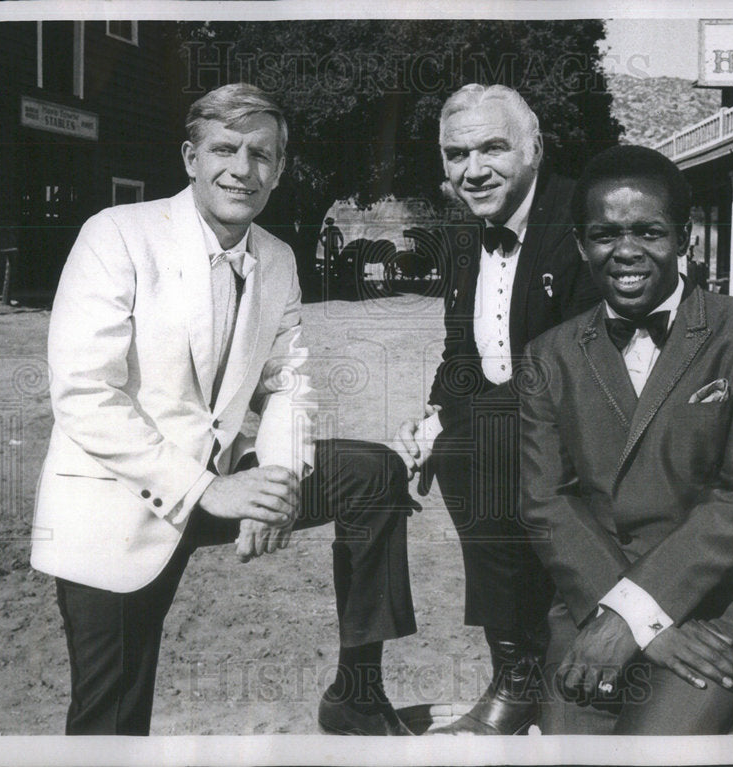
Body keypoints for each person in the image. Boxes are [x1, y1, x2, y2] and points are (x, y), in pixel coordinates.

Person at [31, 83, 417, 737]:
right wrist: (216, 488)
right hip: (118, 503)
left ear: (279, 168)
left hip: (230, 479)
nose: (243, 168)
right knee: (110, 725)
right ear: (190, 157)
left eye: (262, 154)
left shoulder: (276, 257)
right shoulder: (117, 236)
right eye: (225, 149)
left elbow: (288, 382)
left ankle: (357, 694)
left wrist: (279, 484)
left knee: (374, 473)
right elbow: (85, 396)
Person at [519, 145, 733, 734]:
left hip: (716, 604)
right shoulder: (548, 355)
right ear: (579, 245)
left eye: (648, 231)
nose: (625, 252)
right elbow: (546, 502)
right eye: (604, 235)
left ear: (685, 238)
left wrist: (637, 617)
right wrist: (623, 615)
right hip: (590, 599)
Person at [393, 84, 599, 735]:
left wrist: (459, 425)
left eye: (492, 147)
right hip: (510, 433)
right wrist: (432, 414)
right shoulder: (463, 234)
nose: (473, 168)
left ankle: (520, 675)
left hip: (601, 433)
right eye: (457, 154)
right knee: (446, 445)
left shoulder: (583, 218)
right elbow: (462, 353)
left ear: (534, 147)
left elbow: (586, 368)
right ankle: (520, 667)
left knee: (469, 447)